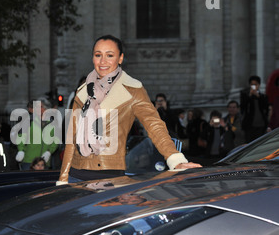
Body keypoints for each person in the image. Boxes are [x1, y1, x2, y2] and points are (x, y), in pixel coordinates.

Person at [57, 35, 201, 185]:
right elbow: (71, 139)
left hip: (109, 177)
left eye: (110, 55)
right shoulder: (82, 91)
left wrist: (175, 159)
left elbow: (154, 125)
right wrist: (63, 179)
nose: (103, 61)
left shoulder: (132, 89)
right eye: (98, 55)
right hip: (75, 176)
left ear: (120, 58)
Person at [15, 98, 59, 170]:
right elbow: (21, 136)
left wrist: (49, 152)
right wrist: (21, 150)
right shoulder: (28, 121)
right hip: (29, 160)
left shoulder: (52, 123)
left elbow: (56, 139)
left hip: (44, 161)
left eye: (41, 107)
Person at [240, 76, 270, 142]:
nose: (254, 86)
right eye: (252, 84)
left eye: (255, 84)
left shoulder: (262, 96)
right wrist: (250, 95)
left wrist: (258, 96)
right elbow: (243, 106)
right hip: (249, 124)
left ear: (259, 85)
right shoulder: (245, 94)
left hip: (261, 124)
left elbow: (266, 107)